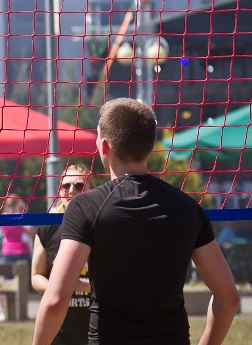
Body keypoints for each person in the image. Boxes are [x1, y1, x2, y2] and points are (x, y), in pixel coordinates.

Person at [32, 98, 241, 345]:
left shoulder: (86, 207)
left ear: (105, 146)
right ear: (149, 146)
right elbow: (228, 298)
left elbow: (56, 300)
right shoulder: (187, 208)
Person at [31, 164, 91, 345]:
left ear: (91, 190)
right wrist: (58, 288)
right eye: (66, 186)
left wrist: (81, 286)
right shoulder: (47, 227)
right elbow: (36, 276)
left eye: (79, 186)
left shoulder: (102, 225)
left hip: (97, 327)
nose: (71, 191)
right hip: (59, 329)